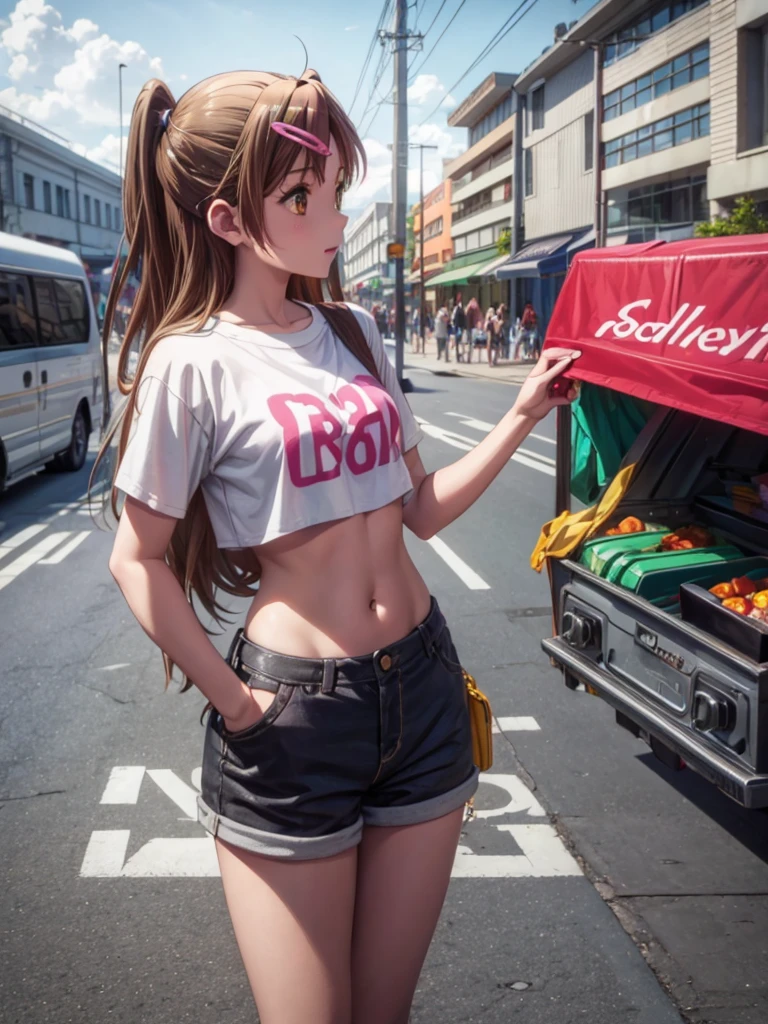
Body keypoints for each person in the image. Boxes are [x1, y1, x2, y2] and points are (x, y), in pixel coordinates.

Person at [100, 68, 579, 1024]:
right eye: (302, 197)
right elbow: (136, 557)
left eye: (333, 190)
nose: (330, 217)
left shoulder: (356, 334)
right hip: (293, 723)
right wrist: (239, 707)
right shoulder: (191, 360)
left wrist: (522, 412)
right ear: (231, 221)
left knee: (384, 1012)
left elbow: (421, 510)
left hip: (424, 686)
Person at [464, 296, 481, 364]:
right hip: (473, 327)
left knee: (469, 343)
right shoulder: (476, 309)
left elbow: (465, 315)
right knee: (471, 343)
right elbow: (478, 317)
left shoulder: (468, 308)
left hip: (469, 327)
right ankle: (469, 358)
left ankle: (469, 358)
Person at [451, 297, 466, 363]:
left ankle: (458, 356)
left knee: (458, 343)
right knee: (460, 342)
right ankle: (459, 356)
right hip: (460, 328)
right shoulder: (461, 310)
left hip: (457, 327)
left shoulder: (456, 310)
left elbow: (453, 319)